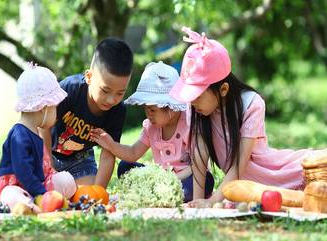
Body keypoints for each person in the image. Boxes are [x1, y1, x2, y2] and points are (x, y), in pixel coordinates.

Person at [169, 26, 325, 207]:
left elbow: (237, 166)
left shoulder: (251, 104)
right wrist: (198, 201)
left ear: (224, 89)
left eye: (197, 95)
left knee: (317, 181)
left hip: (276, 175)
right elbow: (199, 156)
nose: (192, 101)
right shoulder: (196, 107)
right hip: (243, 188)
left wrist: (211, 201)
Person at [90, 61, 214, 202]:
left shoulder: (188, 124)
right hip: (160, 180)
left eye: (153, 110)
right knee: (125, 167)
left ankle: (152, 194)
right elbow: (132, 153)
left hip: (186, 177)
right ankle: (155, 193)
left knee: (202, 183)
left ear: (170, 108)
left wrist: (172, 179)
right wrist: (111, 145)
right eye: (145, 109)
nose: (148, 114)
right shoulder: (151, 127)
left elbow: (197, 165)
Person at [40, 38, 134, 188]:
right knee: (44, 189)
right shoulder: (69, 90)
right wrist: (49, 167)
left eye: (120, 93)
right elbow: (43, 126)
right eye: (105, 90)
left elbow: (108, 154)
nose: (111, 100)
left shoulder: (118, 111)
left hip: (80, 160)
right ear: (89, 77)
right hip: (47, 152)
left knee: (84, 195)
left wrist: (98, 192)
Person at [0, 64, 77, 212]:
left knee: (67, 180)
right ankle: (30, 207)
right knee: (10, 196)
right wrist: (42, 195)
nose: (57, 113)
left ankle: (41, 204)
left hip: (40, 185)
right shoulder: (19, 136)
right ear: (43, 108)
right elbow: (23, 172)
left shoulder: (35, 131)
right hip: (20, 187)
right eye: (55, 107)